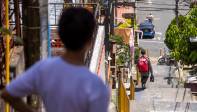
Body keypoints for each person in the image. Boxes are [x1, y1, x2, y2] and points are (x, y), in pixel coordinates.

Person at [1, 7, 109, 112]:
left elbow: (8, 94)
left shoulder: (44, 69)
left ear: (60, 35)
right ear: (90, 40)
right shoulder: (97, 86)